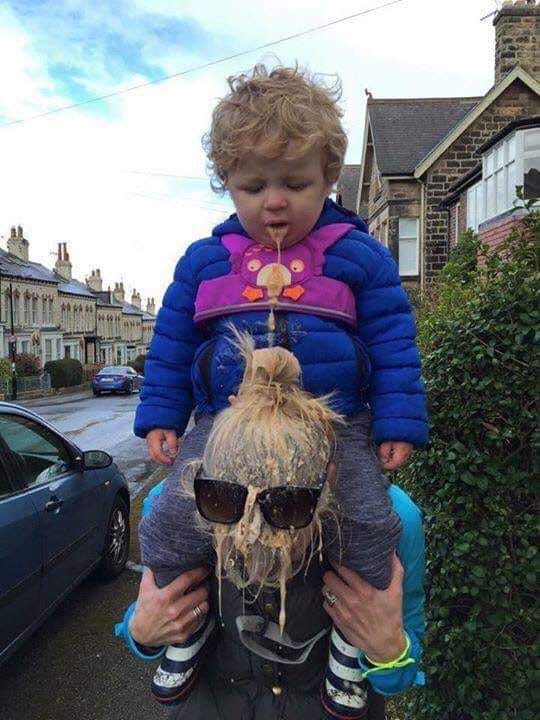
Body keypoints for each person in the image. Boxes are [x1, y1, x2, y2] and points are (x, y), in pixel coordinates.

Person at [133, 63, 428, 705]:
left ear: (330, 177)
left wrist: (399, 422)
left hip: (334, 426)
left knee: (372, 524)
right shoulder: (204, 262)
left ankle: (353, 650)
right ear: (227, 185)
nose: (273, 201)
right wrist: (162, 415)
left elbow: (394, 344)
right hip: (223, 428)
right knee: (166, 520)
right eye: (252, 185)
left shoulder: (359, 256)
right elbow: (173, 344)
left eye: (296, 183)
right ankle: (182, 629)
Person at [117, 343, 425, 719]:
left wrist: (390, 651)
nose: (251, 529)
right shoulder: (176, 507)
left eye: (287, 505)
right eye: (225, 500)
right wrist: (142, 633)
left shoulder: (395, 520)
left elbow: (403, 668)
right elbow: (147, 614)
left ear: (328, 475)